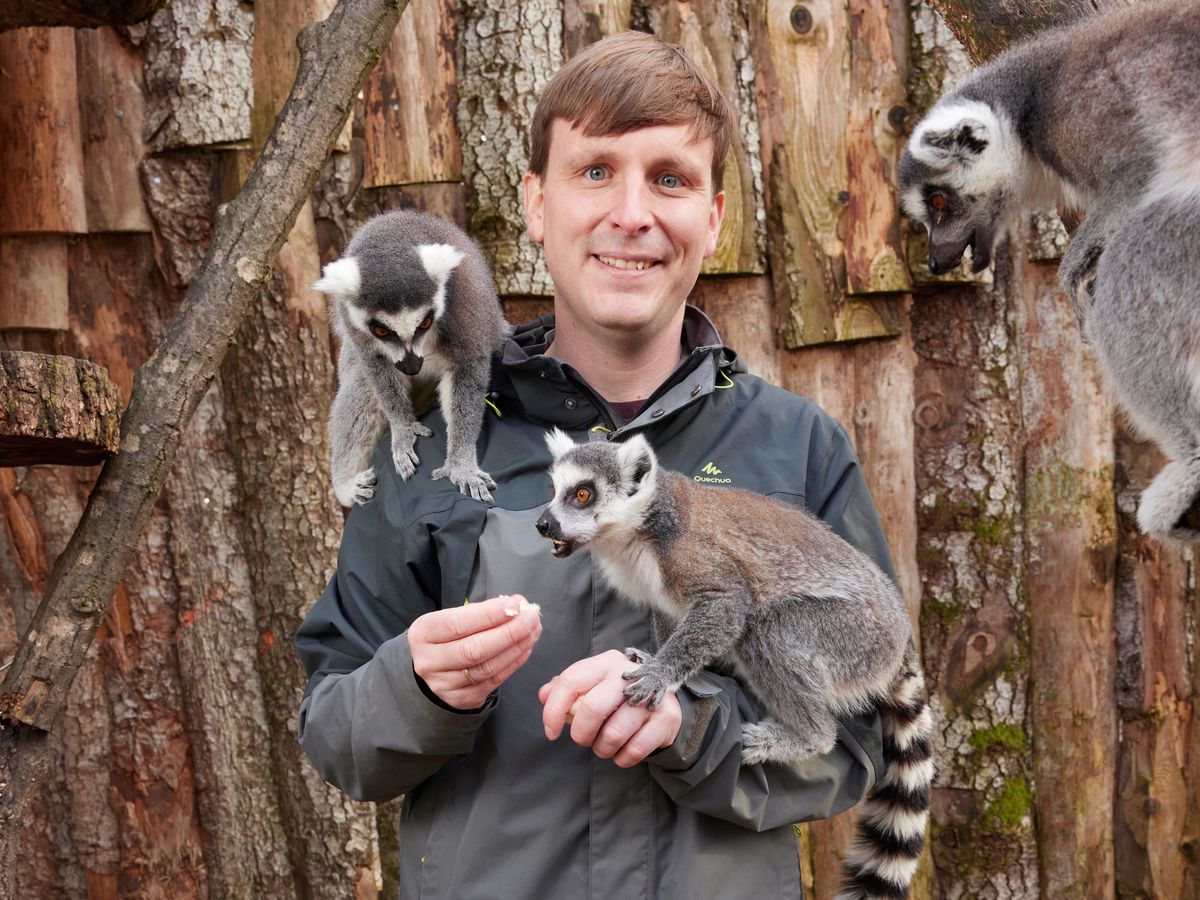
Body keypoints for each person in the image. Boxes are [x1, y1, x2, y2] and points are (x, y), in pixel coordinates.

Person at [296, 31, 898, 899]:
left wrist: (692, 730)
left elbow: (856, 740)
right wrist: (419, 686)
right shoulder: (436, 448)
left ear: (714, 217)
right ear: (536, 205)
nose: (632, 214)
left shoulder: (796, 447)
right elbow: (335, 734)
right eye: (594, 172)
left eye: (670, 179)